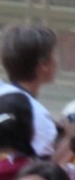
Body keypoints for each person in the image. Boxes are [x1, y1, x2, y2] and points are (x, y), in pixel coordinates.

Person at [0, 24, 56, 158]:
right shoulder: (38, 115)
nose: (57, 61)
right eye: (54, 56)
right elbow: (44, 168)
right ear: (43, 66)